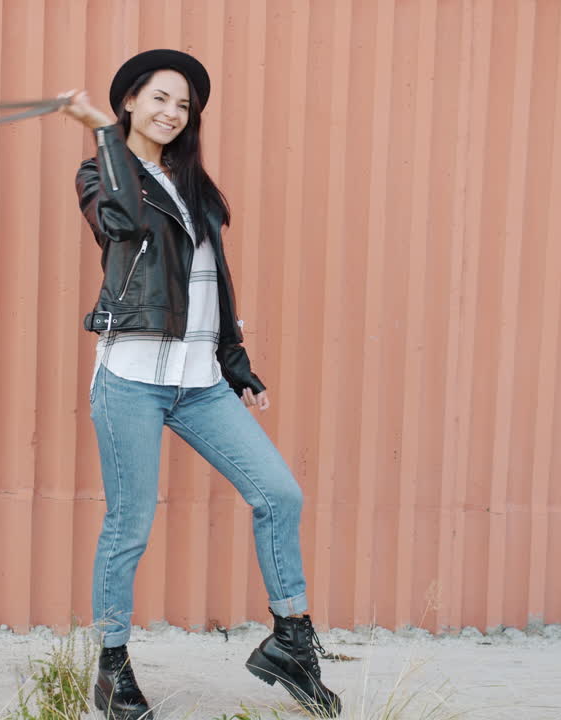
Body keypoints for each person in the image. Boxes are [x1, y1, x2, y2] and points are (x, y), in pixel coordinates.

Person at [58, 49, 341, 719]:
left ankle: (291, 644)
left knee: (278, 494)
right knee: (130, 524)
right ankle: (111, 667)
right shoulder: (100, 172)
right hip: (131, 379)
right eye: (159, 98)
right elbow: (121, 222)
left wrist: (233, 360)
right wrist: (100, 129)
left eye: (183, 105)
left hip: (198, 383)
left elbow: (212, 280)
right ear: (129, 100)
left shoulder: (193, 184)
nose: (171, 112)